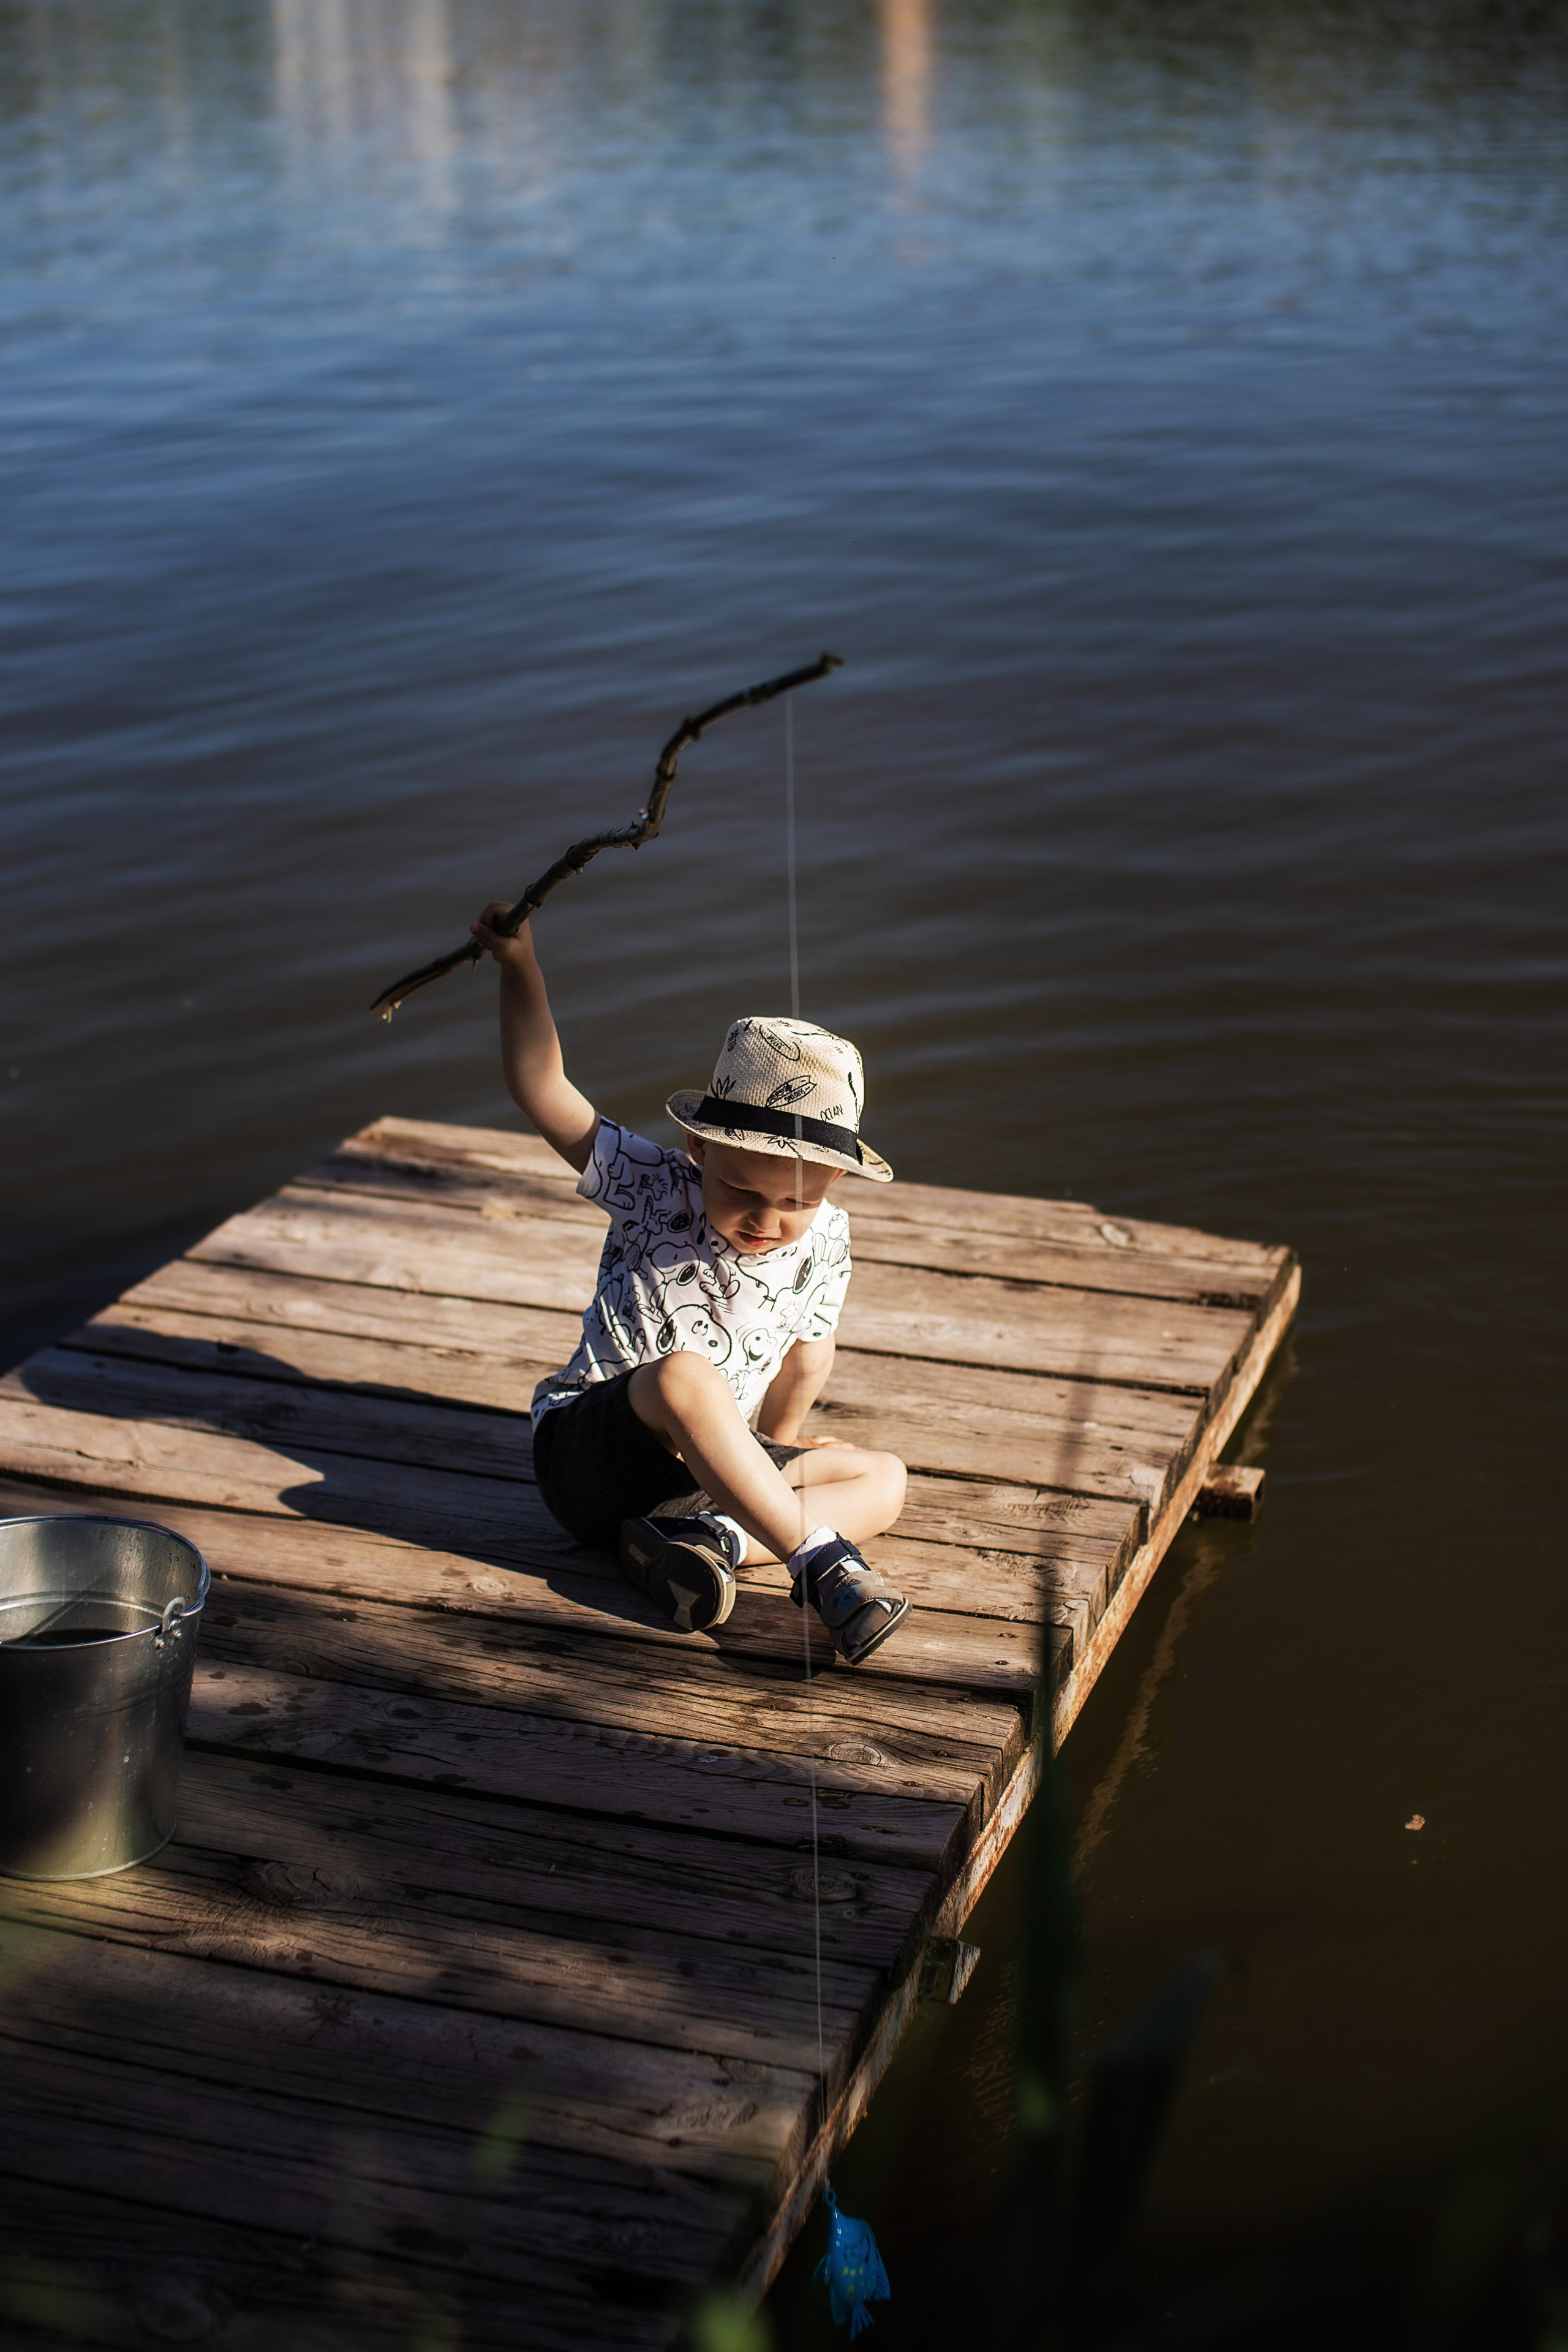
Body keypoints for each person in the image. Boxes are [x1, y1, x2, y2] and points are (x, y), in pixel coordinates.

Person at [469, 902, 911, 1665]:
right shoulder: (649, 1184)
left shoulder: (830, 1238)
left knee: (885, 1478)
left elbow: (809, 1352)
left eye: (799, 1202)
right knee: (684, 1375)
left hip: (704, 1474)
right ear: (698, 1148)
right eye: (744, 1191)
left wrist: (775, 1444)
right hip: (592, 1460)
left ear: (835, 1181)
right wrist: (519, 967)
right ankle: (818, 1561)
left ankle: (709, 1544)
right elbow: (540, 1086)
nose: (768, 1220)